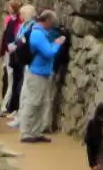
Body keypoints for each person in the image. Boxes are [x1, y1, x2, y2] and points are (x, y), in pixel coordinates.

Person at [18, 9, 67, 142]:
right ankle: (26, 132)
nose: (52, 26)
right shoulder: (37, 34)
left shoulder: (41, 33)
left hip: (42, 72)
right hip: (36, 73)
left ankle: (36, 131)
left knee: (41, 103)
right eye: (52, 23)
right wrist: (57, 43)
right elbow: (48, 52)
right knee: (33, 102)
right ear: (47, 21)